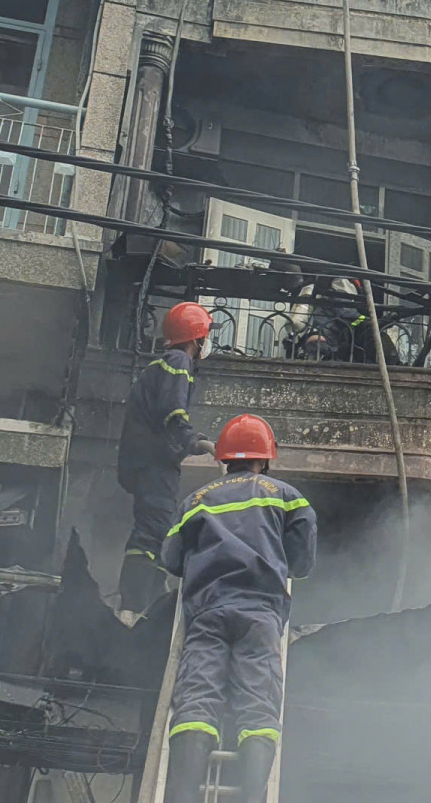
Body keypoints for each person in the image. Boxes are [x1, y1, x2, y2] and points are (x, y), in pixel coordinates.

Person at [161, 414, 317, 803]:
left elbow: (171, 558)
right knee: (259, 708)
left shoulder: (194, 502)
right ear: (265, 459)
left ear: (225, 458)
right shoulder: (287, 496)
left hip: (208, 614)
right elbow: (302, 559)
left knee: (196, 701)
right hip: (260, 615)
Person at [118, 302, 216, 616]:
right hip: (155, 464)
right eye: (206, 336)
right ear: (196, 338)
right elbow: (172, 414)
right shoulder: (178, 361)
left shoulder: (158, 365)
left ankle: (148, 596)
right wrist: (198, 442)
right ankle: (135, 604)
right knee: (153, 531)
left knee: (156, 530)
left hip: (144, 462)